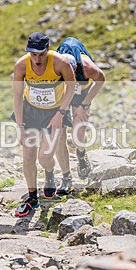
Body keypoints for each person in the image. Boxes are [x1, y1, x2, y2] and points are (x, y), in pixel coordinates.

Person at [12, 32, 76, 217]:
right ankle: (32, 198)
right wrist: (20, 126)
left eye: (41, 54)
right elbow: (17, 97)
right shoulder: (21, 65)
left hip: (54, 112)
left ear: (48, 49)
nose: (37, 59)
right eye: (33, 54)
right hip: (30, 111)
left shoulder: (60, 63)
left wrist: (61, 113)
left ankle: (49, 173)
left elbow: (71, 87)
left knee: (45, 157)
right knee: (28, 155)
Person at [53, 37, 106, 194]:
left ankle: (81, 155)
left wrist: (85, 104)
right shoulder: (54, 65)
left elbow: (101, 79)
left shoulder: (87, 67)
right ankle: (66, 176)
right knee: (59, 133)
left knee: (78, 133)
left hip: (81, 92)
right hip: (61, 93)